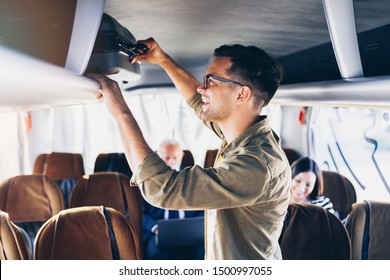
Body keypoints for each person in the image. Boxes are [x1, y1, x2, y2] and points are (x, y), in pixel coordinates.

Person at [88, 37, 291, 259]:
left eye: (211, 81)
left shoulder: (257, 164)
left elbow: (164, 189)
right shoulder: (241, 136)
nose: (202, 88)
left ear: (241, 94)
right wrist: (163, 59)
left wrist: (120, 112)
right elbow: (196, 98)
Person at [143, 139, 204, 260]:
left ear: (182, 155)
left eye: (175, 157)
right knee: (155, 254)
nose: (171, 162)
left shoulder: (195, 178)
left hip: (190, 233)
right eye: (167, 158)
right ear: (158, 156)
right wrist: (155, 228)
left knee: (203, 252)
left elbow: (203, 208)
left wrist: (196, 227)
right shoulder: (148, 180)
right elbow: (140, 212)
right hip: (157, 233)